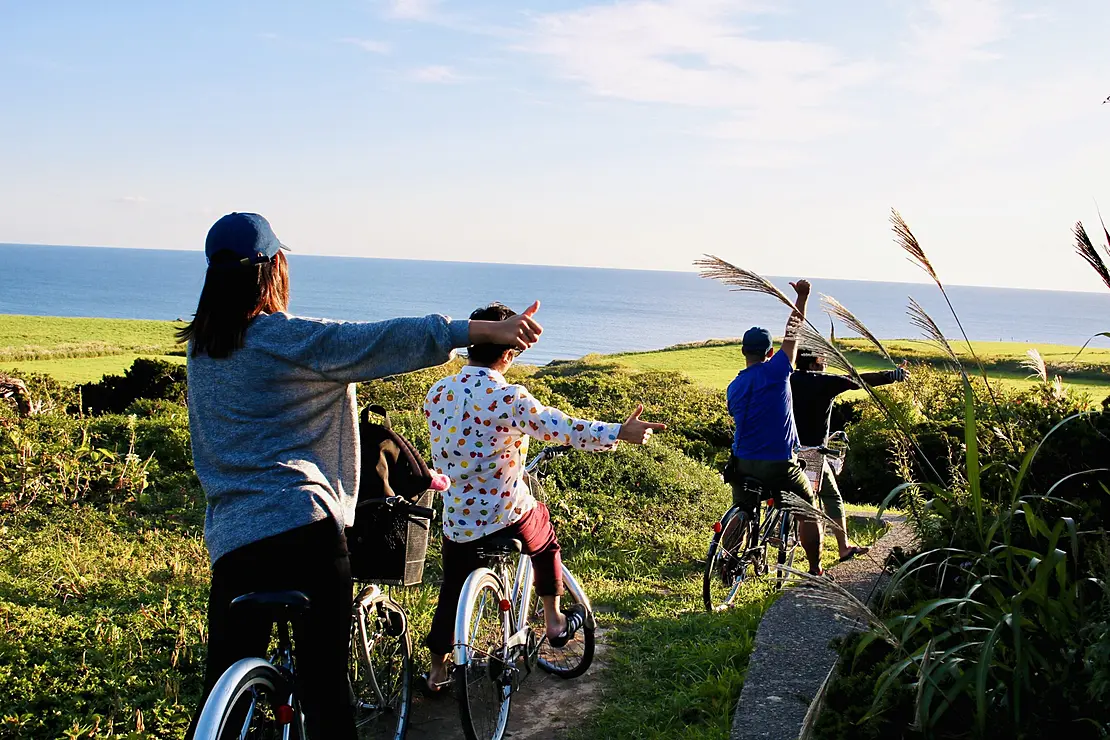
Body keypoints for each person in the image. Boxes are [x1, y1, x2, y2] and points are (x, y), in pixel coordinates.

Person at [181, 213, 544, 739]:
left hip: (232, 541)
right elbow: (377, 340)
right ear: (273, 269)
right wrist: (480, 331)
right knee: (326, 689)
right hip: (303, 530)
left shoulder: (202, 349)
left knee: (222, 697)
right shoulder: (287, 340)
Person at [421, 302, 666, 694]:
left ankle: (436, 671)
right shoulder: (508, 397)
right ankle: (553, 620)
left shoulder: (437, 393)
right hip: (505, 513)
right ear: (508, 353)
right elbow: (561, 427)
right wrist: (619, 430)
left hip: (458, 519)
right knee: (544, 533)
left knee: (452, 587)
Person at [725, 279, 824, 575]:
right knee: (809, 510)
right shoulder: (778, 370)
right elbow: (793, 330)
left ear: (744, 352)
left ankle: (728, 560)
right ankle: (816, 569)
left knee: (741, 510)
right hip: (778, 463)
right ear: (769, 353)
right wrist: (802, 297)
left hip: (742, 462)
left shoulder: (734, 386)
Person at [791, 347, 908, 560]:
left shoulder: (787, 380)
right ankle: (843, 547)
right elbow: (857, 380)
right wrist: (891, 376)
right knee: (831, 496)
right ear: (815, 362)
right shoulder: (824, 382)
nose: (825, 363)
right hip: (813, 453)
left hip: (787, 450)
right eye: (823, 359)